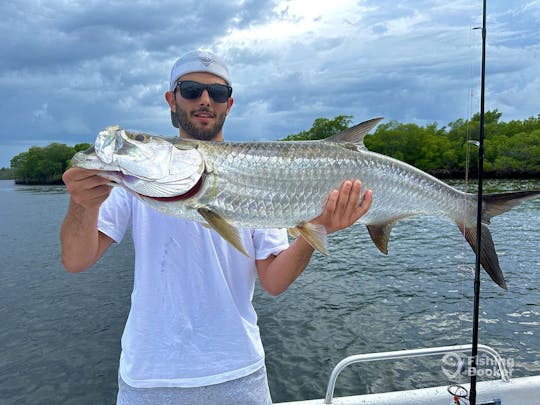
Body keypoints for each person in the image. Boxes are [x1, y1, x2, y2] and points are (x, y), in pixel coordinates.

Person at [60, 49, 373, 404]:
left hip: (240, 374)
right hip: (149, 379)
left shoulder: (261, 173)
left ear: (230, 103)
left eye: (217, 93)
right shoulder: (132, 181)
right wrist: (81, 205)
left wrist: (319, 227)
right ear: (171, 99)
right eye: (191, 90)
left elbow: (273, 280)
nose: (205, 100)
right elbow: (75, 260)